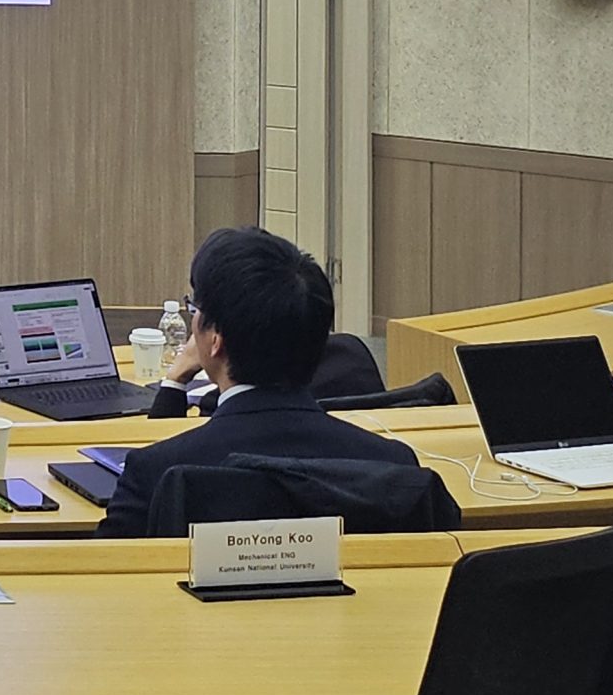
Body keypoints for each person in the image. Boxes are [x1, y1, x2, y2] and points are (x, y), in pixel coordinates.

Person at [98, 225, 423, 538]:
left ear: (215, 340)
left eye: (195, 309)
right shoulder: (395, 467)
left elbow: (101, 570)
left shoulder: (153, 473)